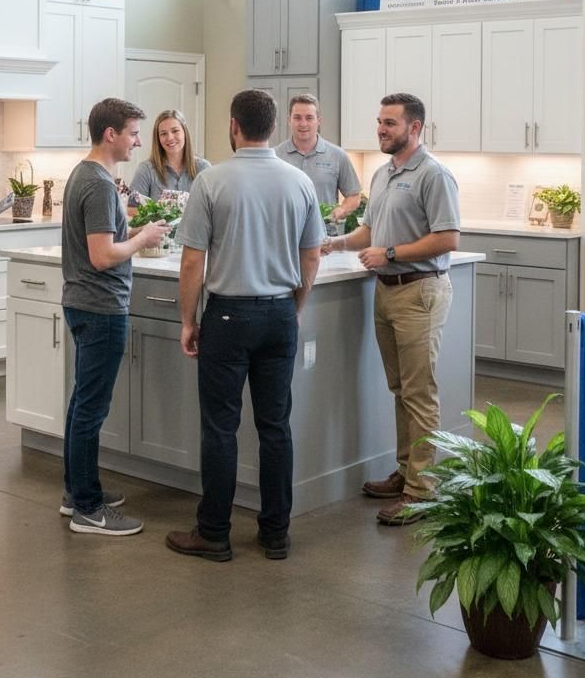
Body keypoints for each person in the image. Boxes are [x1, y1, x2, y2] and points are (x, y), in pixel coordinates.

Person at [167, 89, 324, 562]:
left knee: (221, 427)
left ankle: (214, 532)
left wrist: (187, 320)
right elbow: (311, 255)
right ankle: (275, 532)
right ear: (274, 128)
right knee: (275, 425)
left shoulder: (211, 182)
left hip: (228, 316)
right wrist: (294, 307)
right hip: (279, 313)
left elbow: (193, 261)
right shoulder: (299, 182)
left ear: (234, 126)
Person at [322, 92, 460, 525]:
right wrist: (335, 244)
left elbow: (448, 238)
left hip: (420, 291)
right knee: (401, 389)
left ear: (414, 128)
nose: (381, 130)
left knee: (420, 394)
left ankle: (422, 490)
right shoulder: (382, 174)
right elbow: (370, 230)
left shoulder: (434, 175)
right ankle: (406, 473)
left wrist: (392, 254)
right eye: (379, 122)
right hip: (387, 292)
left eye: (390, 124)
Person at [61, 97, 169, 536]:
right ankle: (89, 509)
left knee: (81, 404)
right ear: (111, 134)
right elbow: (103, 255)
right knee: (91, 407)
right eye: (134, 133)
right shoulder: (101, 184)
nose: (138, 142)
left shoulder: (85, 174)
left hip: (82, 302)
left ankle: (77, 492)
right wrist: (142, 238)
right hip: (101, 305)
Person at [274, 94, 361, 220]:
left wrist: (342, 209)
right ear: (289, 120)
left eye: (309, 118)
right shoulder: (275, 156)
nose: (303, 124)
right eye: (297, 118)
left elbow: (354, 196)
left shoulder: (338, 155)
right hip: (285, 234)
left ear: (318, 121)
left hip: (326, 234)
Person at [129, 109, 210, 206]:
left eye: (175, 131)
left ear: (185, 132)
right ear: (158, 139)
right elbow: (132, 210)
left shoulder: (204, 168)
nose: (170, 138)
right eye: (163, 134)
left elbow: (212, 209)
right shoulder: (146, 170)